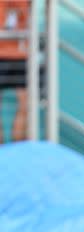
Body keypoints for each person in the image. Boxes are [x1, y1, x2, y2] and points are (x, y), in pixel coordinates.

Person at [0, 0, 29, 143]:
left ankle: (17, 149)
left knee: (25, 103)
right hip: (14, 54)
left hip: (20, 55)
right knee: (25, 103)